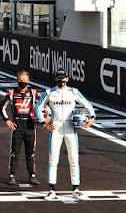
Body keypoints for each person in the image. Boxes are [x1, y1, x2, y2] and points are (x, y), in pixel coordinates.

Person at [35, 69, 96, 201]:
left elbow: (88, 104)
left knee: (74, 159)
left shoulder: (73, 92)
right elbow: (37, 107)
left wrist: (92, 118)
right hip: (56, 128)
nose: (61, 80)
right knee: (53, 159)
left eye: (63, 78)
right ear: (55, 79)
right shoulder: (49, 93)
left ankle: (76, 189)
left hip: (70, 129)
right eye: (59, 78)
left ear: (67, 78)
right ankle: (51, 190)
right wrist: (43, 123)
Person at [0, 71, 41, 186]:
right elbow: (1, 106)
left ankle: (32, 175)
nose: (22, 82)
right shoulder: (12, 92)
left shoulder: (33, 93)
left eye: (24, 80)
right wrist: (7, 120)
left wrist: (43, 118)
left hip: (30, 126)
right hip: (17, 126)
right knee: (14, 152)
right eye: (20, 80)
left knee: (30, 153)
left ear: (28, 81)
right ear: (17, 80)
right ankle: (12, 175)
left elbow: (44, 104)